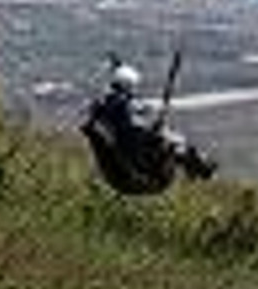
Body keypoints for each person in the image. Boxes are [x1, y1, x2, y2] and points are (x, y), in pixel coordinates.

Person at [81, 58, 216, 195]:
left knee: (164, 139)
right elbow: (138, 131)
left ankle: (197, 166)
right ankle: (202, 168)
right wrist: (155, 131)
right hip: (145, 179)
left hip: (117, 179)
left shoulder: (104, 111)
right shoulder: (127, 119)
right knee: (172, 142)